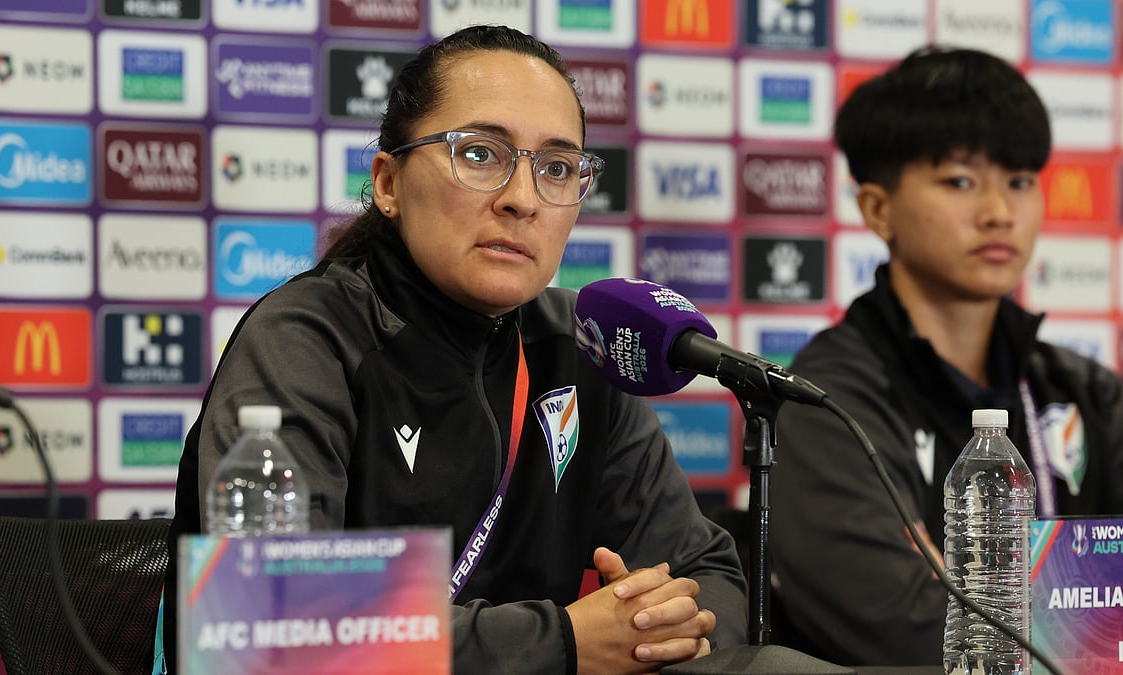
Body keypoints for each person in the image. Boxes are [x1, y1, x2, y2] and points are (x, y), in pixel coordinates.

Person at [155, 25, 748, 674]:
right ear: (388, 183)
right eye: (480, 154)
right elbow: (263, 617)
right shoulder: (305, 340)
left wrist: (659, 627)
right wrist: (564, 642)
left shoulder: (580, 345)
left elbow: (705, 573)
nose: (522, 199)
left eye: (556, 167)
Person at [767, 45, 1123, 667]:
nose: (998, 213)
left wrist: (982, 604)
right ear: (878, 209)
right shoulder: (826, 399)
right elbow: (902, 629)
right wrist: (1086, 611)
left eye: (1018, 181)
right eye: (959, 181)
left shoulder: (1084, 389)